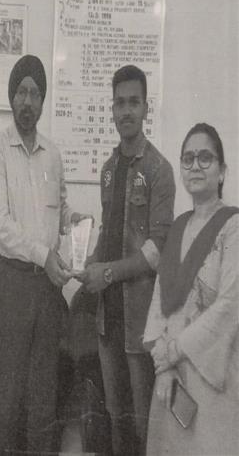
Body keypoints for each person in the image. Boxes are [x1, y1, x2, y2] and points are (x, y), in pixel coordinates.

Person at [0, 54, 90, 456]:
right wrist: (43, 254)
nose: (27, 101)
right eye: (21, 92)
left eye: (35, 93)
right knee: (9, 394)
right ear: (12, 97)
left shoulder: (53, 154)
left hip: (46, 288)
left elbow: (58, 210)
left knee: (44, 391)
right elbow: (0, 225)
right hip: (10, 284)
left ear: (43, 100)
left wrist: (72, 220)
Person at [79, 64, 175, 455]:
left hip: (141, 322)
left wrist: (107, 273)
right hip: (109, 321)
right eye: (119, 103)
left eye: (134, 102)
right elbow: (110, 233)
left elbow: (157, 250)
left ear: (146, 108)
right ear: (112, 109)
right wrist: (87, 262)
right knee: (116, 418)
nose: (126, 111)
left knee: (144, 424)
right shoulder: (107, 170)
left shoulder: (159, 170)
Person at [143, 123, 238, 455]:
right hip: (172, 376)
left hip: (213, 370)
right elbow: (160, 302)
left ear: (222, 171)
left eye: (205, 158)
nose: (195, 166)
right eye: (188, 159)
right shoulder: (179, 226)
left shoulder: (233, 226)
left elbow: (229, 305)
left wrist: (174, 351)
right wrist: (165, 365)